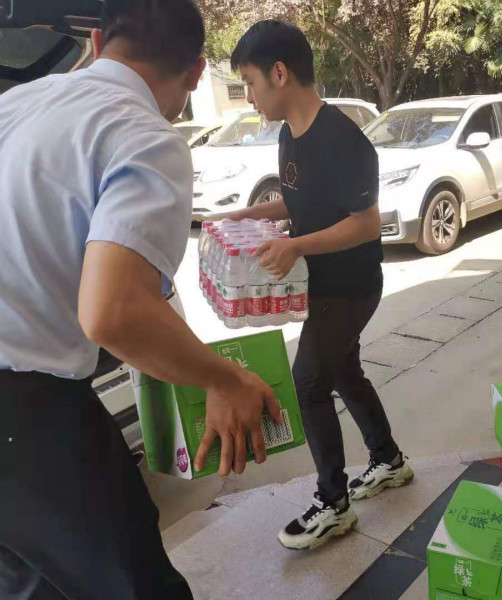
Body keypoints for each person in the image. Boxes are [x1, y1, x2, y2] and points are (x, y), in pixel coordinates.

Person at [0, 1, 281, 598]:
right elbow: (114, 311)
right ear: (196, 71)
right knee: (136, 583)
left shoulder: (16, 104)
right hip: (23, 408)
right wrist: (224, 379)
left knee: (32, 585)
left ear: (98, 43)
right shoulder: (144, 135)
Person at [224, 20, 414, 551]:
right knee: (344, 371)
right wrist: (242, 215)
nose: (249, 96)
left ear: (280, 73)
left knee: (308, 382)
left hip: (351, 285)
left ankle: (333, 504)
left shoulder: (342, 139)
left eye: (250, 82)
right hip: (322, 284)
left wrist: (297, 247)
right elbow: (295, 200)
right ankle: (388, 460)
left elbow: (366, 224)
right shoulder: (290, 134)